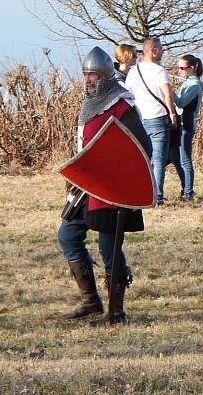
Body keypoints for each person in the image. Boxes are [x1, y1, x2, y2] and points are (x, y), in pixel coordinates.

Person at [58, 46, 152, 323]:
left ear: (106, 76)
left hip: (113, 191)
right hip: (87, 187)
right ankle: (91, 302)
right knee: (68, 236)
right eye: (86, 75)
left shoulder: (122, 105)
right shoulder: (89, 106)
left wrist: (117, 177)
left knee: (109, 248)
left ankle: (116, 311)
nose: (88, 80)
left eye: (93, 75)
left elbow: (140, 148)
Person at [125, 37, 178, 205]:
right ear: (153, 50)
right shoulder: (159, 71)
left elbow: (128, 94)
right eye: (160, 48)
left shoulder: (134, 71)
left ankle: (141, 193)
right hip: (158, 119)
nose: (162, 52)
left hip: (140, 120)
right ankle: (157, 196)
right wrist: (172, 114)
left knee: (142, 160)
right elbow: (167, 94)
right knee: (159, 160)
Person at [170, 54, 203, 201]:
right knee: (176, 158)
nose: (179, 70)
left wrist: (168, 91)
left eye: (182, 68)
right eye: (178, 68)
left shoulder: (195, 85)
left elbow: (181, 103)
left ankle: (189, 192)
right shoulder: (188, 83)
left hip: (187, 125)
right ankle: (186, 189)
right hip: (181, 124)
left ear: (191, 68)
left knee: (185, 160)